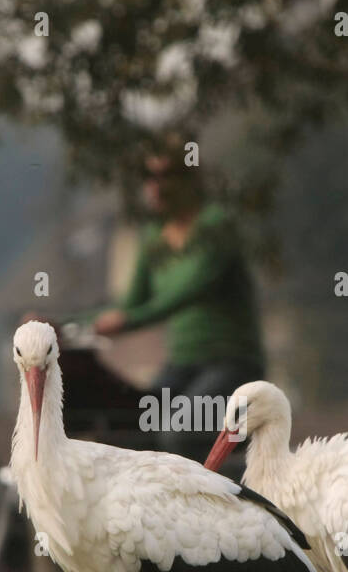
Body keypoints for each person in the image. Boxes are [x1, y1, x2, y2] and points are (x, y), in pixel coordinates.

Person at [89, 134, 265, 461]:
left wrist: (129, 319)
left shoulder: (216, 226)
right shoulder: (154, 237)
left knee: (179, 434)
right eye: (148, 177)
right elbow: (128, 305)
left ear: (191, 178)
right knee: (132, 430)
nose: (155, 187)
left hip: (231, 366)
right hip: (182, 366)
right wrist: (57, 323)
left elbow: (186, 289)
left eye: (165, 175)